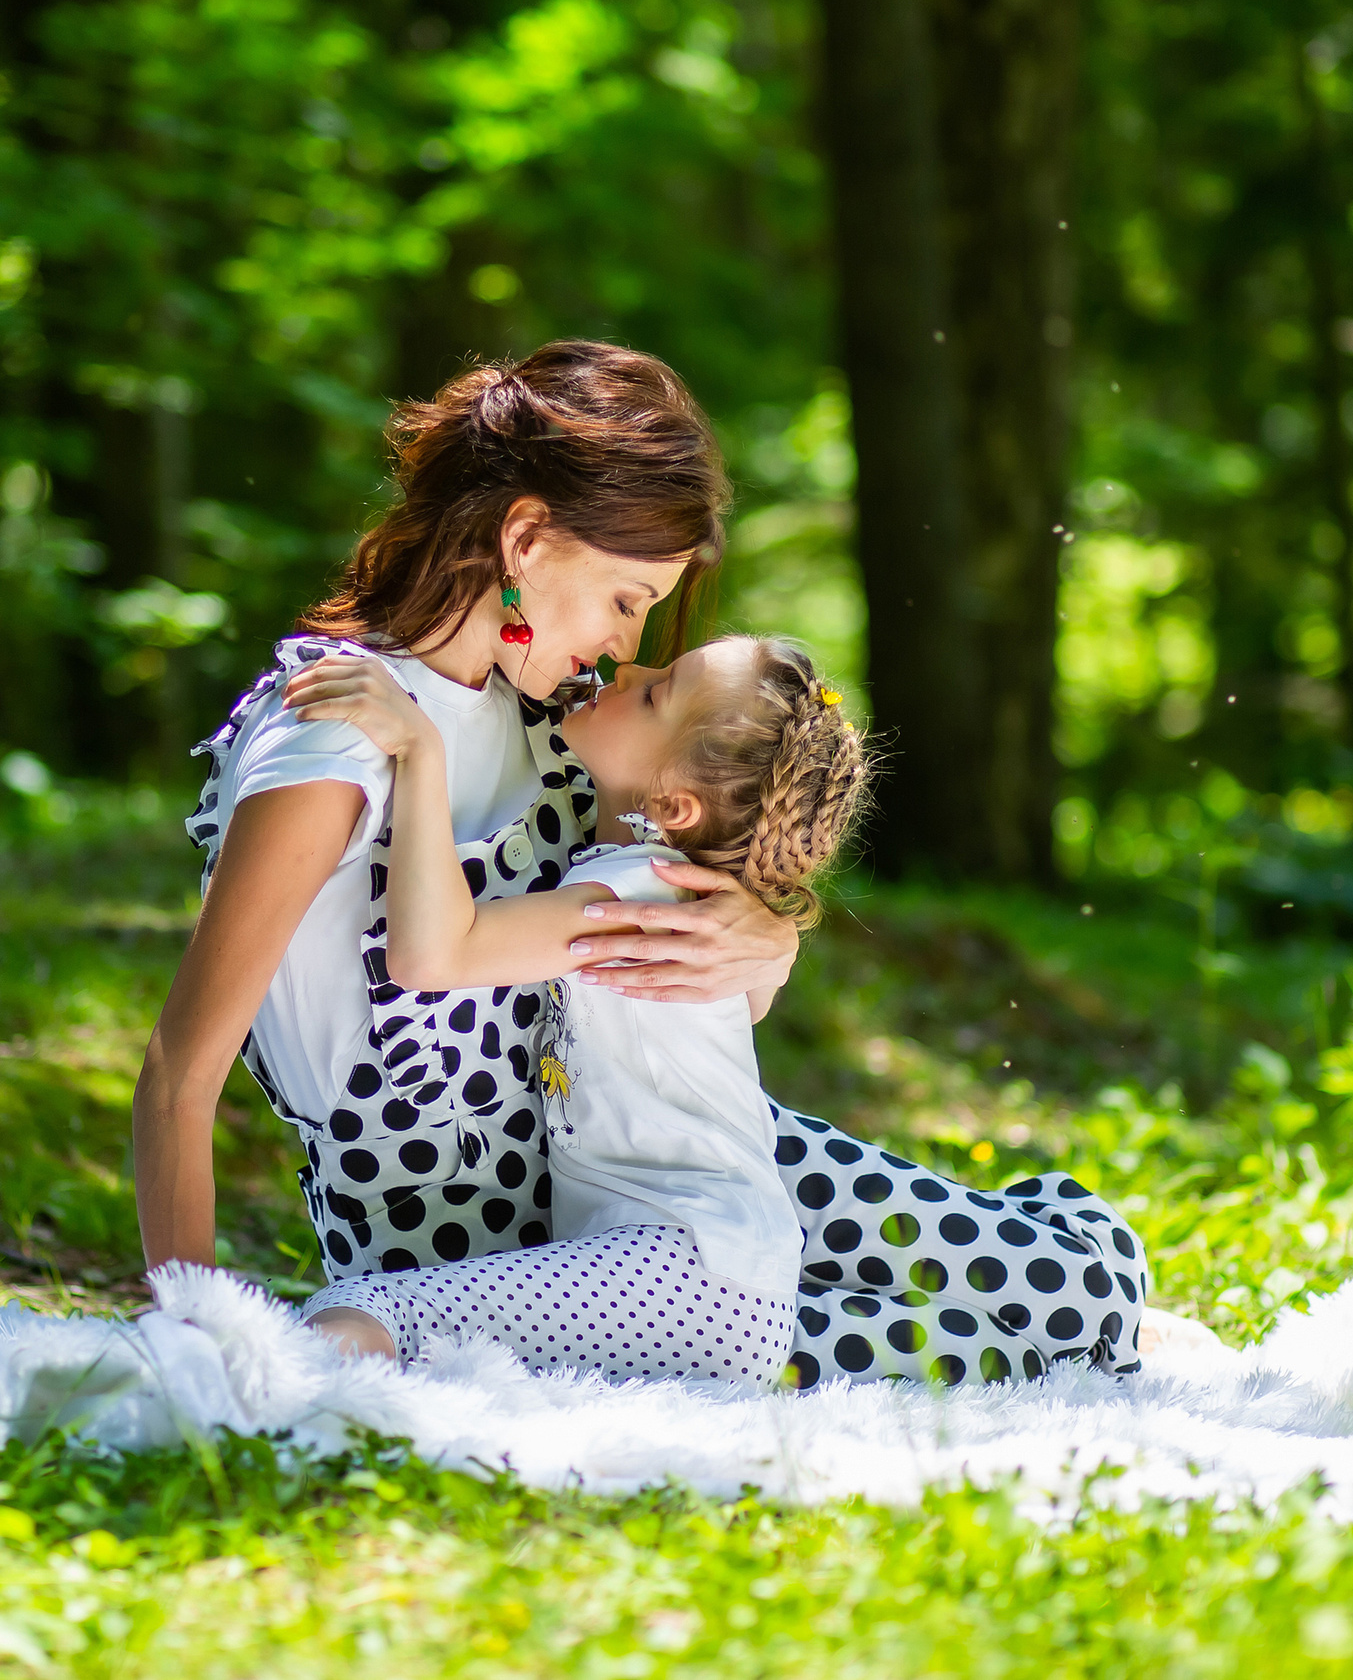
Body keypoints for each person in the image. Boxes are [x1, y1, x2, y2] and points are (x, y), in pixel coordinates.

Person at [133, 338, 1149, 1387]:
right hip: (496, 1253)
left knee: (1067, 1282)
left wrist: (765, 930)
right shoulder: (336, 742)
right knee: (849, 1335)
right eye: (626, 600)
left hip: (641, 1157)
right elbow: (178, 1072)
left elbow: (684, 851)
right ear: (525, 540)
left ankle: (1105, 1320)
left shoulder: (539, 715)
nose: (627, 648)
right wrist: (198, 1343)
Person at [281, 634, 868, 1386]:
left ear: (670, 805)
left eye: (655, 693)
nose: (629, 668)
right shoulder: (670, 900)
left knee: (373, 1309)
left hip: (690, 1267)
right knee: (427, 1340)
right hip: (712, 1274)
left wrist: (418, 751)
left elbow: (431, 958)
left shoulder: (641, 899)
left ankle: (242, 1399)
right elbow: (748, 1006)